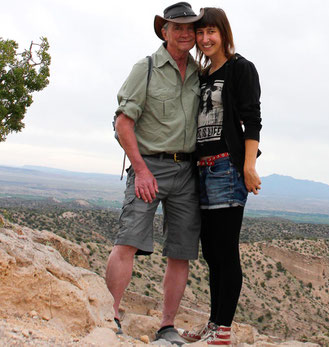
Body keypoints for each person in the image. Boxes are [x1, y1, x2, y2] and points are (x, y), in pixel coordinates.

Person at [104, 3, 203, 345]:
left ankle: (167, 327)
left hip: (188, 170)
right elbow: (123, 123)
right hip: (150, 166)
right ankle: (111, 315)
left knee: (181, 251)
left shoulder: (198, 73)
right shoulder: (144, 69)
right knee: (128, 240)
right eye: (178, 27)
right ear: (164, 31)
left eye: (191, 28)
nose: (185, 33)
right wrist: (142, 170)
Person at [181, 7, 262, 345]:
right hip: (201, 170)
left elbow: (252, 117)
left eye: (211, 31)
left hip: (227, 168)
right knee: (212, 251)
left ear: (224, 33)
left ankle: (223, 331)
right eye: (200, 33)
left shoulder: (241, 68)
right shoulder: (202, 75)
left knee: (226, 251)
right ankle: (215, 324)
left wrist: (248, 165)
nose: (204, 38)